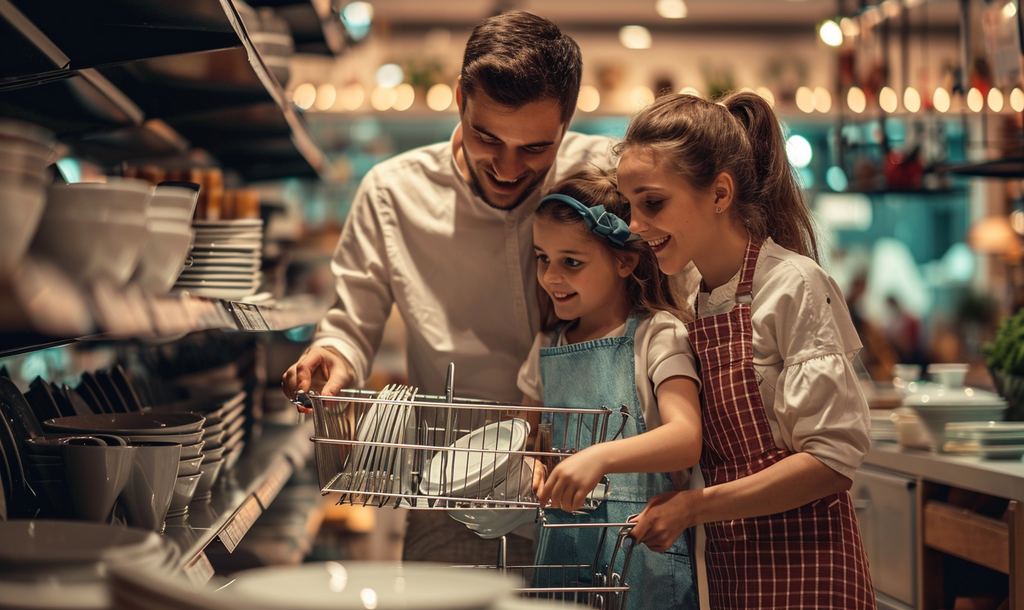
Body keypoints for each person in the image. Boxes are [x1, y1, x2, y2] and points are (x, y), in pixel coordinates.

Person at [279, 11, 614, 565]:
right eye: (488, 138)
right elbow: (351, 322)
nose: (508, 168)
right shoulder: (391, 193)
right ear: (460, 98)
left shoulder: (603, 176)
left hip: (592, 488)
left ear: (569, 120)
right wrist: (332, 355)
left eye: (534, 148)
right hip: (449, 488)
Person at [614, 91, 875, 609]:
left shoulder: (794, 284)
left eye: (653, 202)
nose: (635, 226)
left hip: (812, 570)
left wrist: (694, 507)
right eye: (629, 206)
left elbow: (831, 462)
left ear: (719, 193)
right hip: (736, 571)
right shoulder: (693, 297)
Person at [519, 168, 701, 609]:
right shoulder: (546, 346)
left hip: (643, 560)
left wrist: (597, 457)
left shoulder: (657, 335)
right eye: (543, 258)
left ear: (625, 260)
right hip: (563, 558)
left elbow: (686, 439)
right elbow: (522, 436)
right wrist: (527, 465)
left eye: (572, 262)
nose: (550, 277)